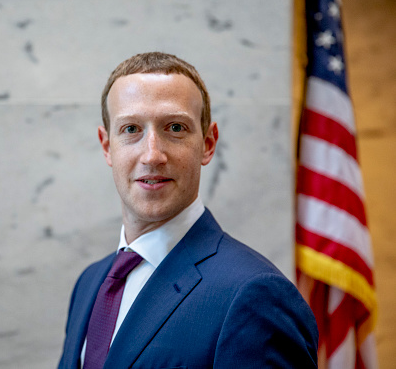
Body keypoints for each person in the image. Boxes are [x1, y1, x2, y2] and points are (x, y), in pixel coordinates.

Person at [58, 52, 318, 369]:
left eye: (176, 127)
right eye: (130, 129)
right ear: (106, 145)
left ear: (208, 144)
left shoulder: (254, 294)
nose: (152, 155)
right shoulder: (90, 283)